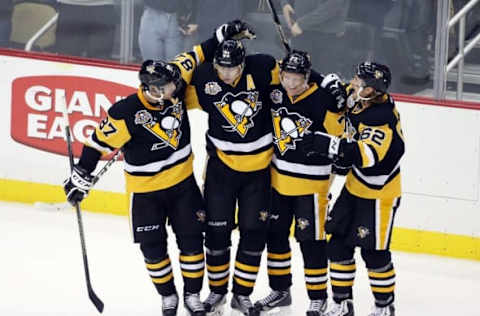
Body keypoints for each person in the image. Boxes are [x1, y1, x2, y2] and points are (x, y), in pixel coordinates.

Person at [62, 21, 255, 316]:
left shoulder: (174, 79)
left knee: (191, 242)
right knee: (153, 250)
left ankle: (192, 296)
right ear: (151, 89)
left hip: (182, 186)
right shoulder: (125, 112)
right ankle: (168, 296)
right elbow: (96, 144)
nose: (176, 87)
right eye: (167, 86)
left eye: (174, 83)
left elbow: (198, 53)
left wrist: (223, 33)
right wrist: (81, 177)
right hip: (145, 193)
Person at [303, 62, 404, 316]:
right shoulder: (362, 96)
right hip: (354, 187)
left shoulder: (382, 118)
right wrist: (324, 80)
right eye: (357, 78)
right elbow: (336, 90)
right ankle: (342, 304)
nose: (355, 83)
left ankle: (384, 306)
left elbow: (367, 155)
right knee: (337, 245)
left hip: (378, 195)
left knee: (374, 254)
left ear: (373, 90)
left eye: (361, 82)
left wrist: (328, 144)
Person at [184, 38, 274, 316]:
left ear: (243, 64)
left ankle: (242, 294)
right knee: (216, 233)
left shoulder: (263, 69)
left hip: (259, 172)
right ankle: (217, 291)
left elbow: (299, 76)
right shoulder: (203, 77)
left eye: (232, 69)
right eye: (221, 68)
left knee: (253, 232)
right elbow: (172, 90)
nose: (226, 74)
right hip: (221, 170)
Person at [253, 50, 345, 316]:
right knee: (275, 237)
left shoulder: (323, 99)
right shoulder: (275, 92)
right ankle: (280, 290)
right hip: (278, 183)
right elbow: (263, 64)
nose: (290, 84)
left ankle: (318, 297)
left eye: (297, 79)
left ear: (307, 77)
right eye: (286, 77)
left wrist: (335, 94)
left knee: (311, 242)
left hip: (312, 187)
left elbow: (339, 135)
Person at [280, 0, 351, 75]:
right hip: (300, 32)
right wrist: (285, 3)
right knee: (296, 77)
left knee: (323, 79)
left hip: (327, 36)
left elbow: (334, 5)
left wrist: (302, 24)